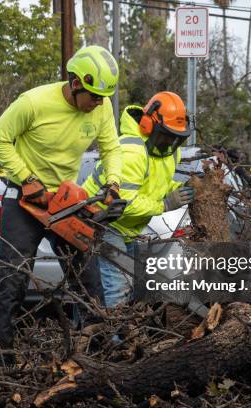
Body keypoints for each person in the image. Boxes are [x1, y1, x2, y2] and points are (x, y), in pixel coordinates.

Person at [0, 45, 123, 364]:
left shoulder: (99, 109)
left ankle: (96, 354)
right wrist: (25, 177)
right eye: (95, 96)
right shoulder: (33, 102)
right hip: (24, 201)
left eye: (104, 98)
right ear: (75, 84)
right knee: (12, 279)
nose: (100, 103)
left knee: (88, 281)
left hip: (65, 203)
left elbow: (111, 149)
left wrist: (112, 183)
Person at [83, 91, 195, 308]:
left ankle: (116, 332)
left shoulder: (169, 152)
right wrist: (165, 204)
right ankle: (116, 340)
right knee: (117, 286)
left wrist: (178, 190)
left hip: (127, 228)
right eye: (166, 136)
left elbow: (154, 186)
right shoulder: (132, 151)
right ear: (147, 125)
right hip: (100, 220)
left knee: (135, 284)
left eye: (175, 137)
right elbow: (123, 202)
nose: (170, 142)